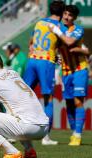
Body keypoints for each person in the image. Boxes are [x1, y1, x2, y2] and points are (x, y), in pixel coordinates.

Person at [0, 53, 49, 158]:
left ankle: (12, 152)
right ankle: (29, 151)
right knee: (14, 115)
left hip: (26, 126)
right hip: (44, 128)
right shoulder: (13, 73)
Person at [23, 0, 65, 145]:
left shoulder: (39, 22)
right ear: (62, 13)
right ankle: (45, 137)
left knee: (22, 95)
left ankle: (14, 132)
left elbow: (31, 42)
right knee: (48, 98)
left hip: (32, 60)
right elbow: (62, 43)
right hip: (46, 62)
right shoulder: (59, 26)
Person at [49, 5, 90, 146]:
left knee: (78, 101)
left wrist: (55, 30)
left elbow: (70, 41)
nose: (67, 17)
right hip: (65, 72)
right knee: (69, 103)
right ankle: (74, 131)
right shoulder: (58, 29)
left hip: (80, 69)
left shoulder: (77, 29)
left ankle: (77, 135)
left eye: (70, 15)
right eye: (65, 13)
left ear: (75, 18)